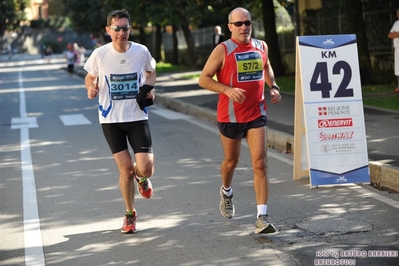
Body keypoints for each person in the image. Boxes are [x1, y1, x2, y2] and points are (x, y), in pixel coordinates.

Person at [198, 7, 282, 234]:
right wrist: (226, 90)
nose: (244, 27)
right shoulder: (223, 49)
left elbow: (266, 66)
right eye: (238, 24)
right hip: (230, 116)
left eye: (247, 23)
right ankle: (226, 191)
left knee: (260, 163)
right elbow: (203, 79)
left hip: (256, 113)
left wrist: (272, 86)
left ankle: (262, 217)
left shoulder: (261, 46)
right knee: (231, 162)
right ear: (230, 27)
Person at [84, 9, 156, 234]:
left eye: (125, 28)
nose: (121, 33)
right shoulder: (100, 54)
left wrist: (149, 88)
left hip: (136, 116)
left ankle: (142, 179)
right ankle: (130, 214)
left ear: (130, 30)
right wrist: (91, 88)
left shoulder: (141, 51)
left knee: (146, 168)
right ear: (108, 30)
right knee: (126, 170)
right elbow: (89, 76)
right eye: (117, 28)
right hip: (110, 119)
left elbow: (151, 72)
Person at [388, 8, 399, 93]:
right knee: (398, 68)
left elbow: (393, 34)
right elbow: (390, 35)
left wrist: (396, 34)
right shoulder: (396, 23)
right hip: (397, 48)